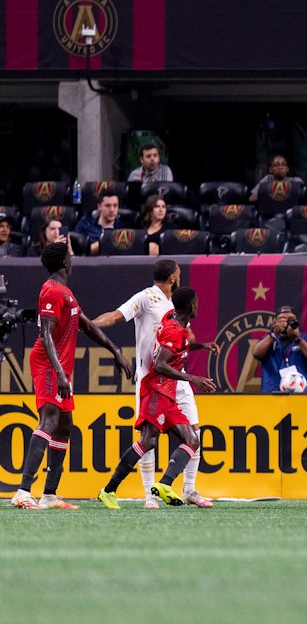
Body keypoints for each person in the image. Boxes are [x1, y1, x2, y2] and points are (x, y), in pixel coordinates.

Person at [10, 243, 134, 510]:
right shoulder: (52, 291)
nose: (73, 260)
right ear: (64, 263)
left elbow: (86, 325)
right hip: (48, 364)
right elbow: (45, 335)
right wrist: (58, 373)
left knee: (65, 425)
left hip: (60, 368)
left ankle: (50, 495)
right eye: (70, 256)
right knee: (49, 419)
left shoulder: (65, 292)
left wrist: (115, 351)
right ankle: (22, 491)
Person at [93, 260, 220, 508]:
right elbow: (116, 316)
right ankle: (148, 494)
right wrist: (88, 324)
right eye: (179, 274)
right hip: (154, 378)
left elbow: (181, 342)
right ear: (173, 277)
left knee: (194, 434)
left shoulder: (177, 308)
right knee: (149, 440)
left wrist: (200, 345)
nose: (180, 277)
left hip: (176, 378)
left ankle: (188, 489)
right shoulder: (146, 298)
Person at [252, 305, 307, 393]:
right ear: (275, 322)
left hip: (303, 395)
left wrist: (297, 339)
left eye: (290, 319)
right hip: (273, 395)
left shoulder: (306, 339)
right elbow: (256, 353)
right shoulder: (268, 340)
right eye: (282, 319)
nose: (286, 323)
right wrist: (274, 334)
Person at [74, 188, 130, 256]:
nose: (112, 210)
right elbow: (75, 249)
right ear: (99, 207)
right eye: (108, 206)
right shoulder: (85, 224)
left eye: (115, 205)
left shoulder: (125, 228)